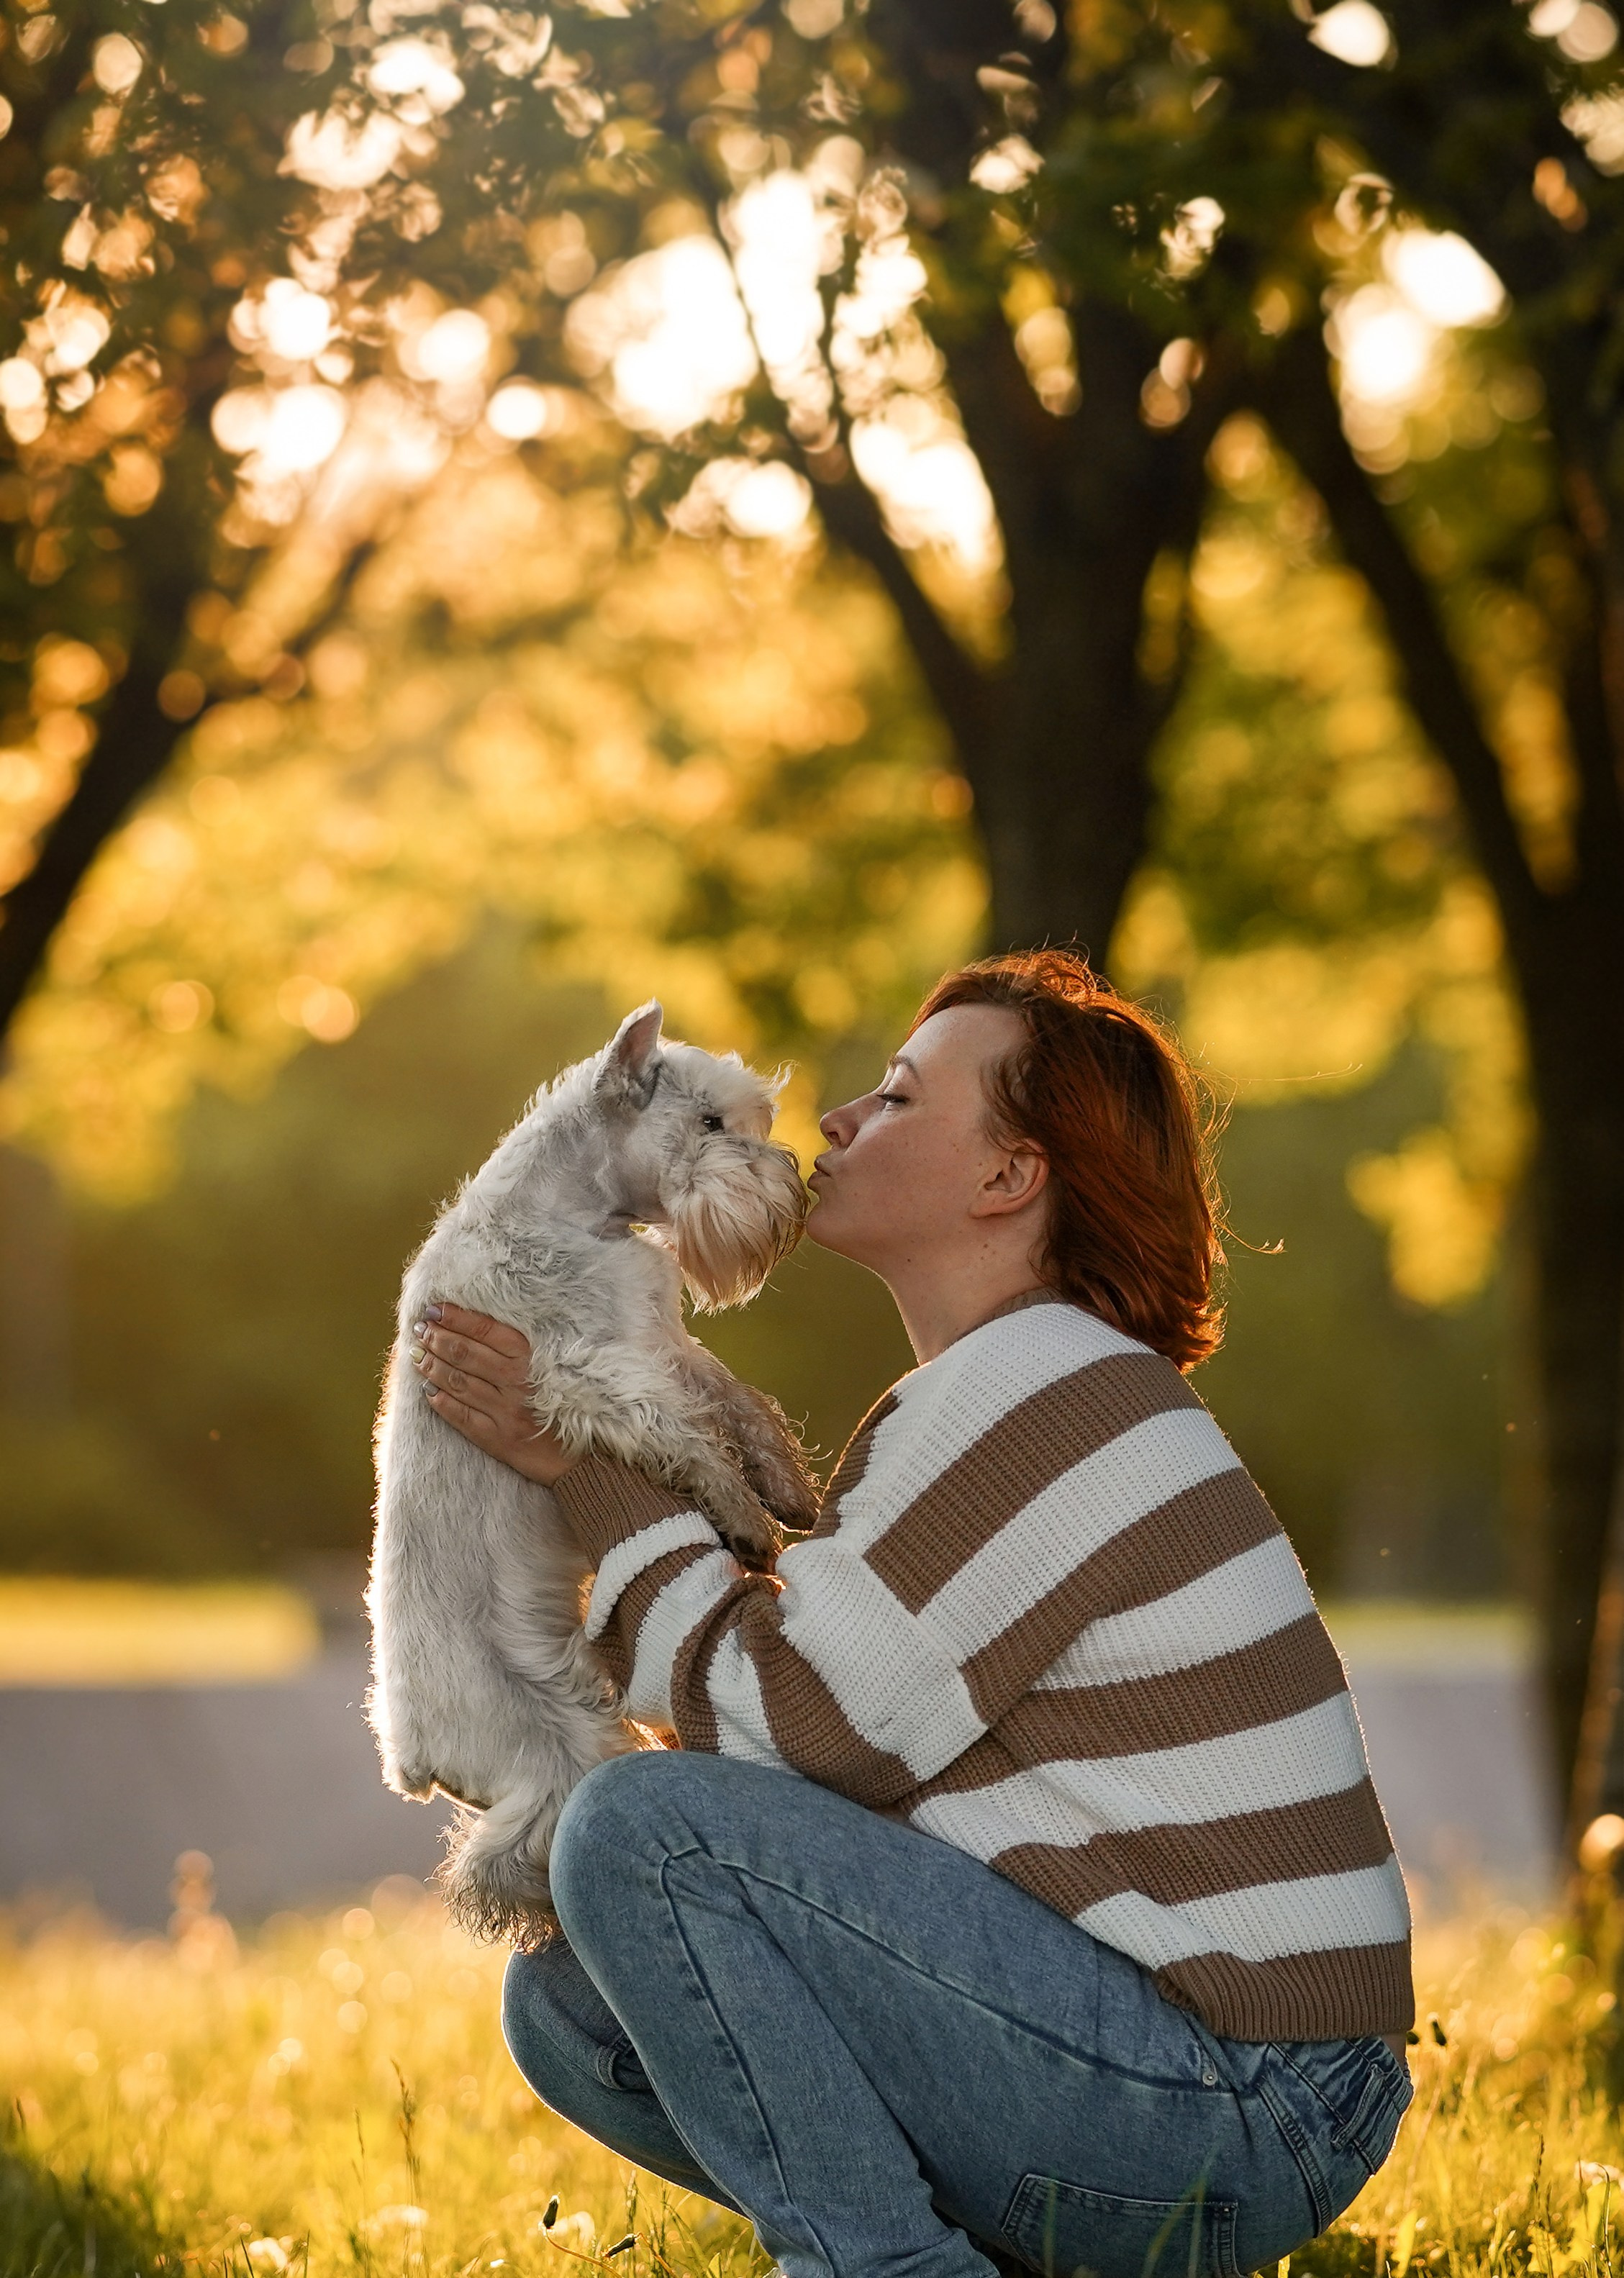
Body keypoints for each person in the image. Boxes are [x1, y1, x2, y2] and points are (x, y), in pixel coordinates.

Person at [409, 950, 1414, 2278]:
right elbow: (829, 1717)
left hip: (1243, 2095)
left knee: (642, 1836)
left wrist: (585, 1463)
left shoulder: (1049, 1393)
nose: (834, 1121)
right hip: (1205, 2065)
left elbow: (803, 1725)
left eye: (893, 1098)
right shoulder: (1008, 1390)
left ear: (1008, 1176)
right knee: (571, 2008)